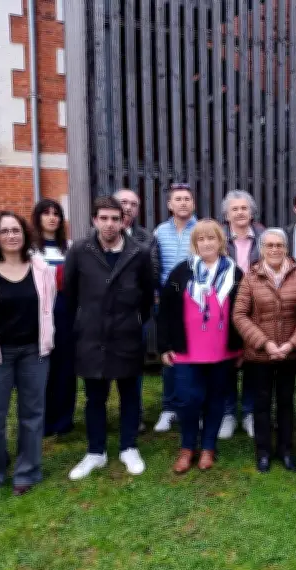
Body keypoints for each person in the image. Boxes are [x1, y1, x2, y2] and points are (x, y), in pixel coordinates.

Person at [0, 211, 56, 498]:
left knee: (32, 414)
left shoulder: (41, 269)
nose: (11, 236)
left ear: (25, 234)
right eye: (4, 231)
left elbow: (48, 305)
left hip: (33, 352)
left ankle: (27, 472)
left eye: (16, 230)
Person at [65, 196, 154, 480]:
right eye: (103, 218)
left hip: (126, 334)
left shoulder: (139, 252)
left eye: (115, 218)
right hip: (91, 336)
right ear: (94, 220)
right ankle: (96, 451)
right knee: (95, 397)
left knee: (130, 394)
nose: (109, 224)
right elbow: (70, 294)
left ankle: (129, 447)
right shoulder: (80, 250)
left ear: (123, 221)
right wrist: (82, 323)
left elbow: (147, 296)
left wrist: (133, 321)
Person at [157, 219, 243, 473]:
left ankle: (208, 447)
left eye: (211, 238)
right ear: (195, 243)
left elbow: (244, 311)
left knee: (216, 399)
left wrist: (242, 347)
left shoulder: (235, 273)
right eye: (201, 239)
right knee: (187, 399)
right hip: (186, 350)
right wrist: (164, 345)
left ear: (220, 241)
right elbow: (165, 310)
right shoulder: (181, 272)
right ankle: (187, 447)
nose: (206, 243)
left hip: (222, 349)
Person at [233, 228, 296, 472]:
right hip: (260, 355)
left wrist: (292, 344)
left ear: (286, 248)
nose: (275, 249)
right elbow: (239, 315)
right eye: (269, 245)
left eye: (279, 245)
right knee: (261, 402)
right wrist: (265, 343)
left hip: (290, 353)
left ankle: (286, 449)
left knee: (286, 401)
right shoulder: (251, 277)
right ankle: (263, 451)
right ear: (262, 249)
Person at [219, 189, 265, 439]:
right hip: (224, 306)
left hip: (257, 308)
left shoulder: (264, 236)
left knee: (253, 360)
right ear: (227, 215)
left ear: (251, 212)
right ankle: (227, 413)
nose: (240, 213)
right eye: (234, 209)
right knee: (226, 360)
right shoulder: (218, 236)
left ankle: (249, 413)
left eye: (244, 208)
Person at [152, 183, 197, 433]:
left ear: (193, 204)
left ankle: (194, 405)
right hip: (168, 302)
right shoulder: (160, 232)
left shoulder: (201, 230)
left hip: (195, 301)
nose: (183, 203)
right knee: (169, 354)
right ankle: (169, 408)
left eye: (187, 198)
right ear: (170, 205)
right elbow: (155, 264)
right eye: (178, 199)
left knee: (195, 355)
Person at [31, 199, 77, 436]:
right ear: (38, 217)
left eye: (56, 214)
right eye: (46, 213)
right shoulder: (29, 250)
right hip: (37, 313)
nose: (52, 218)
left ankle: (63, 420)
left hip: (65, 313)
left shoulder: (69, 248)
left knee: (65, 368)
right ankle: (42, 420)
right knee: (40, 369)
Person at [114, 188, 154, 433]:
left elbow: (151, 275)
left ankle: (133, 415)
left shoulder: (146, 238)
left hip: (133, 314)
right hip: (101, 316)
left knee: (132, 368)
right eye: (123, 202)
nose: (127, 207)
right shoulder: (91, 238)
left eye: (133, 204)